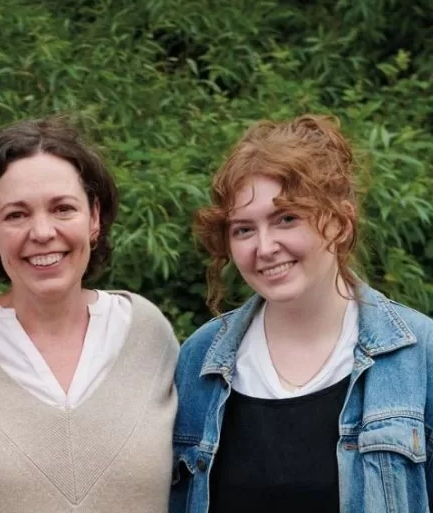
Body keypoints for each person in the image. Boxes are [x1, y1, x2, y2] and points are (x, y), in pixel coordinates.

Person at [0, 117, 180, 512]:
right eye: (16, 215)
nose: (42, 232)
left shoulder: (148, 334)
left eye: (62, 208)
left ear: (94, 218)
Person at [171, 115, 433, 513]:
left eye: (286, 219)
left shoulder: (419, 354)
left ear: (340, 223)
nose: (265, 247)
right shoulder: (201, 360)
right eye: (243, 229)